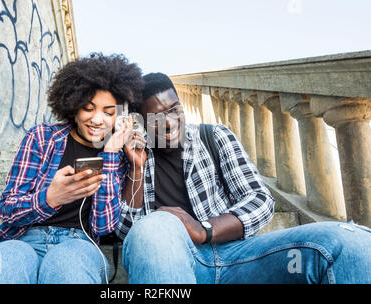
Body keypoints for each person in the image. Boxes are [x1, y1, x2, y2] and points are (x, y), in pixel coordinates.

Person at [116, 72, 371, 284]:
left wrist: (204, 229)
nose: (169, 124)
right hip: (170, 263)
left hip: (238, 257)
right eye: (156, 119)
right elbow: (128, 232)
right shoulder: (135, 156)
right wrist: (136, 170)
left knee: (351, 240)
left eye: (174, 110)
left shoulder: (213, 136)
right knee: (155, 225)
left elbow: (260, 200)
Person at [0, 53, 144, 284]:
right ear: (73, 105)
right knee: (3, 268)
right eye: (88, 108)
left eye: (109, 112)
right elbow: (6, 209)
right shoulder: (42, 138)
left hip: (78, 244)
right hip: (24, 239)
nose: (98, 120)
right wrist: (50, 198)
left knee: (68, 267)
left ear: (120, 116)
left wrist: (109, 154)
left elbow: (104, 225)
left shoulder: (117, 156)